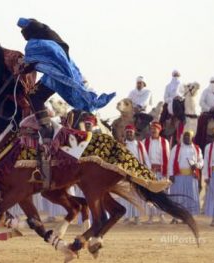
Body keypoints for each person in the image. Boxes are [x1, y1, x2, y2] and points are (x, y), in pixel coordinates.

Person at [17, 18, 115, 189]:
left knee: (34, 97)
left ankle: (46, 128)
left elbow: (34, 62)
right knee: (33, 97)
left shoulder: (36, 43)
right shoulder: (47, 40)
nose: (22, 33)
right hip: (54, 75)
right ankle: (44, 125)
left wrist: (24, 67)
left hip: (53, 77)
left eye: (23, 30)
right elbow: (37, 62)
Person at [168, 130, 203, 223]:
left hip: (191, 177)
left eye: (188, 136)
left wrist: (196, 165)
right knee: (177, 197)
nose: (186, 138)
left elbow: (201, 162)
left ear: (192, 137)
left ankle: (188, 217)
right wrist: (171, 174)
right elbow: (171, 161)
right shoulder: (176, 148)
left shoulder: (196, 148)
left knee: (189, 197)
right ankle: (176, 217)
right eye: (185, 136)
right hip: (178, 176)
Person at [122, 124, 151, 225]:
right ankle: (127, 217)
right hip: (125, 172)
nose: (129, 133)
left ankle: (137, 217)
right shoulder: (122, 144)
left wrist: (147, 171)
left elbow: (146, 158)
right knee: (125, 194)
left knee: (137, 195)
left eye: (131, 132)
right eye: (127, 132)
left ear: (134, 133)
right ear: (125, 133)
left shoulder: (139, 144)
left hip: (137, 173)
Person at [143, 122, 170, 224]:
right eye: (152, 129)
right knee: (150, 194)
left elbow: (167, 157)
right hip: (149, 172)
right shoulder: (144, 142)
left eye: (156, 129)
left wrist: (165, 171)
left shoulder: (165, 142)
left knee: (161, 194)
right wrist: (149, 168)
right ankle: (150, 217)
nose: (154, 131)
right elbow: (144, 157)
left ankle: (161, 215)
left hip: (161, 171)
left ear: (159, 130)